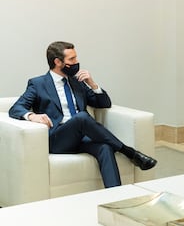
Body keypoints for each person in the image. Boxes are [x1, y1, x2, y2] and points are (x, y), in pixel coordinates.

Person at [9, 41, 157, 188]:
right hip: (58, 139)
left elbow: (104, 103)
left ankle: (115, 196)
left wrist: (92, 84)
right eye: (72, 59)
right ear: (58, 62)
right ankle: (130, 153)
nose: (76, 62)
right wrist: (32, 116)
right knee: (81, 118)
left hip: (82, 137)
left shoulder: (77, 82)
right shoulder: (38, 83)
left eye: (76, 58)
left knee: (104, 147)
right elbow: (16, 108)